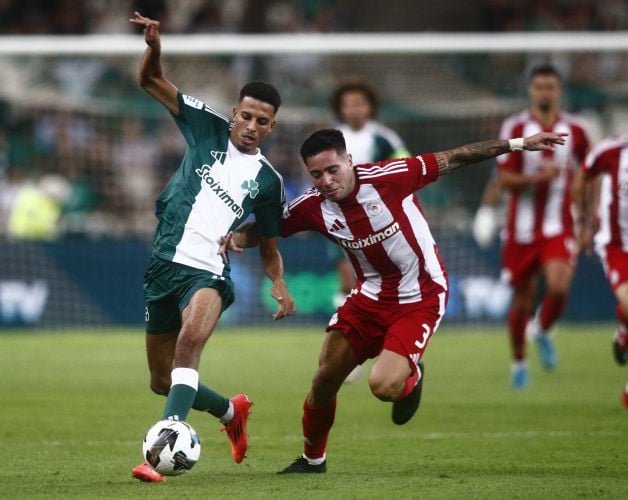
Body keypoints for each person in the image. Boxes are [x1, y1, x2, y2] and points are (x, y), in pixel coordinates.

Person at [222, 127, 567, 473]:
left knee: (383, 386)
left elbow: (456, 157)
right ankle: (313, 461)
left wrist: (519, 144)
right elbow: (266, 229)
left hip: (422, 293)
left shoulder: (393, 176)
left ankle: (411, 378)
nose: (326, 181)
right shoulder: (312, 206)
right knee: (324, 379)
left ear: (349, 161)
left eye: (332, 170)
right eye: (316, 174)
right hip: (370, 295)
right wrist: (232, 237)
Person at [128, 12, 296, 483]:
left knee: (189, 344)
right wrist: (154, 49)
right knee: (162, 379)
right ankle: (230, 411)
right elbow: (149, 81)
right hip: (163, 266)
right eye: (246, 116)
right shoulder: (205, 125)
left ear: (272, 127)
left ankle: (164, 445)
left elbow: (268, 243)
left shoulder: (268, 182)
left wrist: (279, 283)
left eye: (262, 121)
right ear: (235, 112)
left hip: (208, 273)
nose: (251, 126)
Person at [496, 64, 591, 388]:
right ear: (530, 90)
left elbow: (589, 173)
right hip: (520, 230)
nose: (545, 92)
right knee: (522, 299)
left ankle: (542, 329)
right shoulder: (515, 126)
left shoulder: (576, 130)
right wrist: (539, 177)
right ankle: (519, 363)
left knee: (559, 287)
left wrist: (587, 218)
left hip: (558, 225)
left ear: (559, 90)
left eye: (550, 86)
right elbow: (504, 179)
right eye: (539, 87)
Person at [330, 79, 411, 383]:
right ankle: (351, 351)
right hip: (340, 221)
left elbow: (406, 167)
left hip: (379, 223)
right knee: (347, 281)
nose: (354, 109)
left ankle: (387, 345)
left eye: (359, 103)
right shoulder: (332, 138)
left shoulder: (385, 138)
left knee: (378, 285)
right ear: (340, 108)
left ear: (370, 107)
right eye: (348, 104)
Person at [574, 86, 628, 412]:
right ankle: (625, 329)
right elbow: (583, 176)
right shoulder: (614, 150)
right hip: (619, 246)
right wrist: (583, 222)